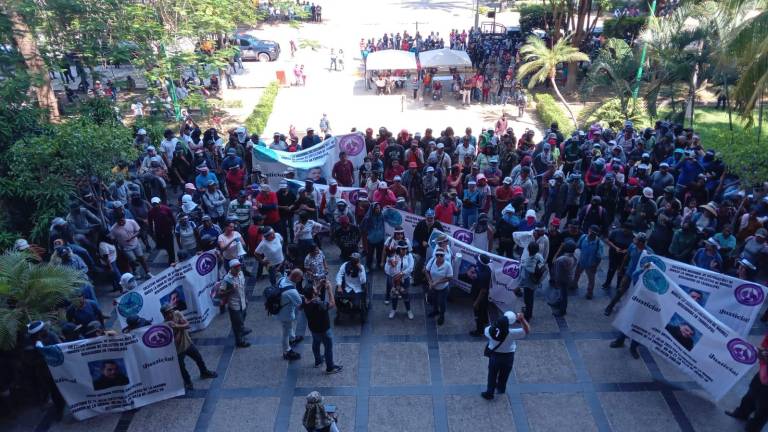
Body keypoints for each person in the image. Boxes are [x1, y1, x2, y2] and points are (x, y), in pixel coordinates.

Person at [161, 304, 217, 390]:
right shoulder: (164, 326)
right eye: (168, 313)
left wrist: (177, 326)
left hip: (188, 344)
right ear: (164, 315)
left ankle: (204, 372)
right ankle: (188, 382)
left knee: (199, 358)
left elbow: (187, 325)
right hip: (177, 350)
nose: (170, 314)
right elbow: (175, 340)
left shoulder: (177, 314)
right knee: (182, 368)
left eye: (171, 311)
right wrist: (179, 328)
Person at [481, 311, 530, 400]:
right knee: (505, 374)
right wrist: (522, 319)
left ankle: (490, 392)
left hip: (495, 356)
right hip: (508, 356)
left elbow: (488, 331)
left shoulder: (489, 330)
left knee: (492, 374)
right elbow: (527, 330)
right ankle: (501, 388)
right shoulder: (512, 333)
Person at [725, 333, 768, 432]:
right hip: (765, 369)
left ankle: (753, 429)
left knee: (764, 408)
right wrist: (762, 353)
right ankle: (742, 413)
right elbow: (765, 344)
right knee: (752, 392)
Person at [302, 284, 343, 374]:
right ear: (313, 294)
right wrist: (329, 290)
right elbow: (332, 304)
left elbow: (313, 292)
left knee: (316, 343)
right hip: (324, 330)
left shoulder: (304, 300)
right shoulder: (319, 304)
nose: (316, 289)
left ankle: (318, 361)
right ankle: (330, 368)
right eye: (314, 289)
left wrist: (320, 285)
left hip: (313, 328)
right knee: (328, 348)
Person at [218, 259, 250, 348]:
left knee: (241, 320)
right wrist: (231, 290)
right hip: (234, 305)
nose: (238, 270)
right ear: (231, 268)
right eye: (236, 269)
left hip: (243, 302)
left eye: (239, 268)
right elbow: (220, 294)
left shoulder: (241, 274)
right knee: (237, 323)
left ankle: (241, 333)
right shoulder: (227, 279)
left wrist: (245, 298)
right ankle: (240, 341)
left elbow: (243, 287)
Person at [277, 269, 304, 360]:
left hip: (281, 309)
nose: (301, 280)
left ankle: (292, 338)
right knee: (285, 333)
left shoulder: (282, 279)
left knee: (289, 327)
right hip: (285, 314)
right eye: (300, 278)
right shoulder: (292, 292)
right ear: (296, 277)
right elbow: (300, 305)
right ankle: (286, 351)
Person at [384, 241, 415, 319]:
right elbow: (387, 270)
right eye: (402, 249)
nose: (404, 250)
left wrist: (401, 274)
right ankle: (393, 310)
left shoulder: (409, 256)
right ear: (398, 249)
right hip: (395, 280)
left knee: (406, 295)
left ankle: (409, 310)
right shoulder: (393, 256)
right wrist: (390, 265)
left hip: (405, 279)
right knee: (394, 295)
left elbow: (411, 267)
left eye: (405, 249)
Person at [574, 225, 603, 299]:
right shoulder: (583, 237)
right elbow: (578, 246)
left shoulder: (599, 243)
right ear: (588, 230)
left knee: (591, 280)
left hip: (591, 265)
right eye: (591, 231)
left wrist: (595, 266)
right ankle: (574, 284)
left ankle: (589, 293)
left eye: (594, 233)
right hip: (581, 261)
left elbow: (599, 257)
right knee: (577, 274)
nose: (591, 234)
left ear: (596, 234)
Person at [425, 247, 453, 326]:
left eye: (441, 255)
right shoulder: (432, 261)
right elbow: (426, 271)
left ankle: (442, 316)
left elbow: (450, 277)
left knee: (442, 302)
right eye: (437, 255)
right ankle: (435, 311)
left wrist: (437, 281)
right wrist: (430, 281)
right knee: (433, 300)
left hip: (443, 288)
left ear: (444, 256)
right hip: (433, 287)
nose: (439, 257)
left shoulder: (447, 265)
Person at [518, 242, 545, 321]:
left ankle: (527, 316)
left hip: (529, 283)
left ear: (529, 250)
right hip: (535, 281)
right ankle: (528, 311)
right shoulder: (539, 256)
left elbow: (530, 270)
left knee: (528, 299)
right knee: (530, 298)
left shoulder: (530, 261)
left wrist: (522, 264)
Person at [335, 253, 367, 317]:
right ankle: (346, 304)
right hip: (347, 287)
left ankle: (352, 305)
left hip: (357, 289)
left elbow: (363, 281)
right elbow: (339, 275)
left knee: (356, 305)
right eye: (353, 259)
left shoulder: (361, 267)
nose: (354, 261)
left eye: (356, 260)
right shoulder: (345, 265)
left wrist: (360, 271)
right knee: (338, 298)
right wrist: (339, 286)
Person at [469, 254, 492, 336]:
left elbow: (483, 291)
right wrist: (473, 270)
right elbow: (475, 268)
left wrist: (476, 302)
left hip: (480, 297)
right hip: (479, 293)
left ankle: (479, 331)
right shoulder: (485, 267)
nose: (477, 261)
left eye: (478, 260)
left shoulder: (484, 275)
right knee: (484, 311)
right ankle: (485, 320)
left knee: (478, 314)